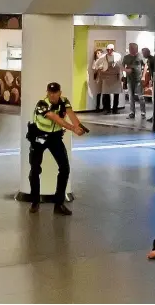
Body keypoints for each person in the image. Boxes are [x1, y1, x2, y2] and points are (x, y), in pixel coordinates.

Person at [27, 82, 85, 216]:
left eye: (55, 92)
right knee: (35, 169)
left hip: (54, 138)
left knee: (65, 168)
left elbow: (71, 114)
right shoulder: (42, 104)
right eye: (50, 92)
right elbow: (56, 118)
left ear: (60, 92)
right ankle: (35, 201)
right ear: (47, 92)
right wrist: (73, 129)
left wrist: (79, 126)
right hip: (39, 137)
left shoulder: (64, 101)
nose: (52, 95)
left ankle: (59, 204)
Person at [94, 44, 123, 114]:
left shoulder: (118, 56)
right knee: (106, 93)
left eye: (111, 49)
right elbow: (96, 64)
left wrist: (122, 75)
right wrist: (100, 68)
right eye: (108, 50)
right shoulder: (103, 57)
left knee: (116, 93)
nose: (109, 51)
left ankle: (115, 109)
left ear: (113, 49)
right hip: (106, 76)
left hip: (115, 76)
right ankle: (107, 109)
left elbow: (121, 65)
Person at [123, 43, 146, 119]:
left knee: (141, 97)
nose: (130, 49)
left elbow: (146, 65)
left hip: (138, 80)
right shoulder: (126, 57)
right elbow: (122, 67)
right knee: (131, 97)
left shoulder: (140, 56)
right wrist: (126, 71)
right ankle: (132, 112)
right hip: (130, 80)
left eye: (132, 48)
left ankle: (143, 112)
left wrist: (143, 76)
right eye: (130, 48)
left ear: (136, 49)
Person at [141, 48, 155, 123]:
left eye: (144, 53)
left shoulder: (152, 60)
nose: (143, 55)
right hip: (154, 80)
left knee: (154, 100)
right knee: (153, 100)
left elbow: (154, 71)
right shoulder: (149, 60)